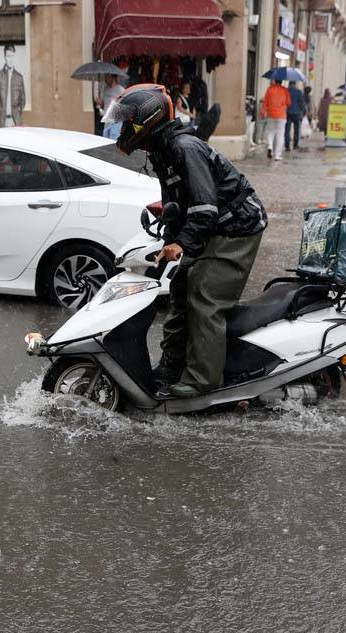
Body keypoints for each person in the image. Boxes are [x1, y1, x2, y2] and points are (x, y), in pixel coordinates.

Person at [102, 84, 268, 398]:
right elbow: (176, 203)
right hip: (211, 227)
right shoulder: (163, 150)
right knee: (179, 289)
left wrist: (184, 244)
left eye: (127, 122)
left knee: (204, 297)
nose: (123, 128)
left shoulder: (185, 147)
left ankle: (202, 381)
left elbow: (204, 207)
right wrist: (168, 239)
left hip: (237, 226)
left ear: (147, 119)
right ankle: (172, 366)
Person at [0, 44, 25, 127]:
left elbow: (23, 101)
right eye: (8, 56)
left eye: (12, 56)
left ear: (14, 57)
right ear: (4, 57)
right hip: (2, 122)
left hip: (15, 122)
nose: (10, 59)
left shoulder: (19, 77)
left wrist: (19, 117)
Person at [260, 79, 289, 161]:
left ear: (274, 81)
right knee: (280, 135)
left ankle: (270, 146)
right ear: (281, 82)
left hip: (271, 114)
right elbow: (289, 102)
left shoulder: (269, 89)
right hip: (281, 115)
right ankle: (277, 155)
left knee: (270, 132)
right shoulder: (285, 90)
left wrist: (263, 111)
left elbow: (265, 102)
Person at [94, 73, 125, 139]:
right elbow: (104, 105)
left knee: (113, 144)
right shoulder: (105, 89)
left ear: (112, 77)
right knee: (105, 144)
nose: (105, 79)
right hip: (106, 122)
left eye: (106, 77)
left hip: (115, 123)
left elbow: (124, 107)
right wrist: (100, 102)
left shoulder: (121, 90)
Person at [285, 80, 306, 152]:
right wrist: (304, 111)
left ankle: (287, 146)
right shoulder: (299, 92)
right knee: (296, 129)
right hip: (296, 113)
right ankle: (295, 145)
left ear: (289, 84)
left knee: (287, 130)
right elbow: (301, 103)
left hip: (287, 112)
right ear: (295, 84)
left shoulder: (286, 91)